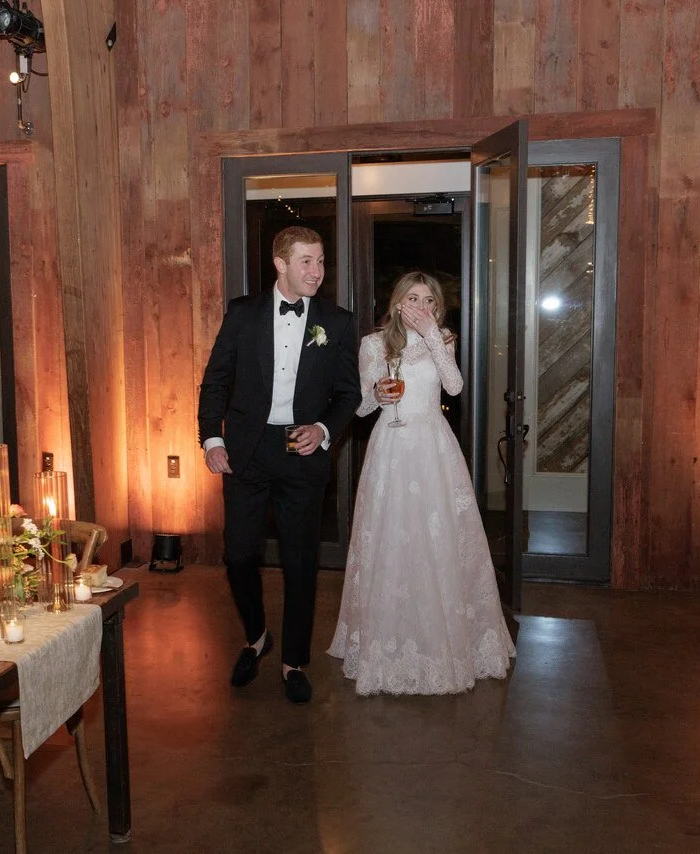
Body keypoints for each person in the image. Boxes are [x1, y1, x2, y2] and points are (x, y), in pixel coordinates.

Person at [328, 271, 516, 695]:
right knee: (393, 539)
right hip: (391, 447)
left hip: (434, 448)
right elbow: (359, 408)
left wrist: (433, 336)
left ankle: (448, 641)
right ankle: (385, 642)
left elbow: (455, 385)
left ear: (437, 307)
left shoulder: (443, 338)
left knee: (439, 539)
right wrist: (378, 393)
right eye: (413, 298)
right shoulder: (375, 344)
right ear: (397, 303)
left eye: (429, 300)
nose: (421, 307)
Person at [199, 225, 361, 704]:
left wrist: (325, 429)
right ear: (281, 263)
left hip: (301, 452)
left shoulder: (337, 320)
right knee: (239, 554)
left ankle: (294, 661)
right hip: (246, 451)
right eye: (307, 261)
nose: (317, 271)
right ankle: (257, 635)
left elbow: (348, 393)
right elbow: (215, 382)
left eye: (321, 261)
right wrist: (212, 440)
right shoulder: (243, 314)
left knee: (300, 562)